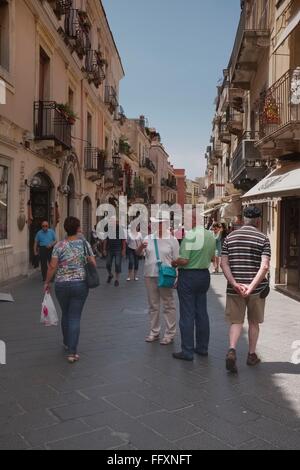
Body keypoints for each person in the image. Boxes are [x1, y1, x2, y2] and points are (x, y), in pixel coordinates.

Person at [221, 206, 271, 374]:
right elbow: (264, 266)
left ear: (243, 219)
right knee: (253, 322)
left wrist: (235, 283)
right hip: (256, 290)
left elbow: (223, 263)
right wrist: (251, 287)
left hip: (234, 289)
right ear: (258, 220)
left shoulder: (230, 237)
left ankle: (232, 350)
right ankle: (251, 355)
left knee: (236, 322)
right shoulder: (263, 238)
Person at [44, 217, 96, 364]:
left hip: (61, 284)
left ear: (66, 229)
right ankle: (72, 352)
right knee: (74, 317)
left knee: (65, 314)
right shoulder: (85, 244)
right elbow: (93, 262)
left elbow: (52, 267)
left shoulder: (59, 245)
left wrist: (47, 282)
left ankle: (67, 342)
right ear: (78, 228)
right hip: (80, 284)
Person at [171, 208, 216, 361]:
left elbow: (184, 260)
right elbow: (211, 258)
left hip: (189, 276)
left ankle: (187, 351)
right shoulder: (210, 235)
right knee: (202, 312)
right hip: (204, 275)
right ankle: (202, 348)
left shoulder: (190, 236)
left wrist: (174, 261)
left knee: (187, 314)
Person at [136, 213, 179, 345]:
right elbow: (138, 254)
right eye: (156, 223)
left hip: (166, 275)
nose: (158, 225)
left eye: (160, 222)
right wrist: (141, 247)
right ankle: (154, 332)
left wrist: (177, 276)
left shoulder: (172, 240)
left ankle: (170, 334)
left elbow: (176, 260)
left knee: (168, 304)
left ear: (165, 224)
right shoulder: (148, 238)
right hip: (150, 275)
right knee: (153, 305)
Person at [103, 217, 126, 287]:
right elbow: (105, 240)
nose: (112, 222)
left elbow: (123, 240)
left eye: (114, 221)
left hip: (118, 249)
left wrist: (124, 249)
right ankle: (110, 274)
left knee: (117, 264)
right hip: (109, 249)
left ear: (116, 222)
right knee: (108, 264)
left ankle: (117, 280)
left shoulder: (120, 229)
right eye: (111, 221)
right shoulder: (107, 229)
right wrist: (104, 249)